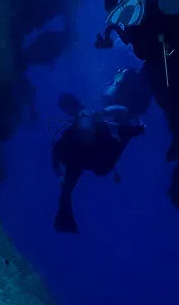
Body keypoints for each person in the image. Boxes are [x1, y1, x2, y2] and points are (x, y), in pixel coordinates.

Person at [50, 70, 149, 233]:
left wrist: (106, 114)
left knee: (74, 184)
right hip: (86, 155)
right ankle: (64, 218)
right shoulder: (81, 126)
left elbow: (120, 116)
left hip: (90, 155)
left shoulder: (89, 121)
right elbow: (56, 151)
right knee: (77, 181)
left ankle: (64, 218)